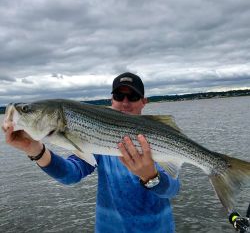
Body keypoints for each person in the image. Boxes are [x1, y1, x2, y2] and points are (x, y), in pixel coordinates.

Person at [3, 72, 180, 233]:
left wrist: (151, 177)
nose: (125, 102)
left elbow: (172, 189)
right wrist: (35, 150)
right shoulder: (97, 141)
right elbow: (70, 174)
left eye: (132, 96)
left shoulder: (158, 138)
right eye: (119, 95)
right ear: (112, 100)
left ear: (143, 101)